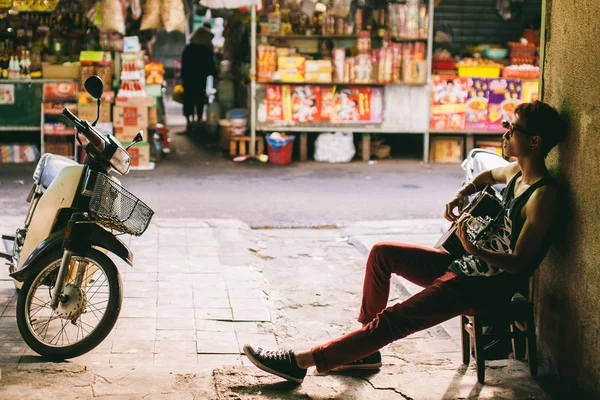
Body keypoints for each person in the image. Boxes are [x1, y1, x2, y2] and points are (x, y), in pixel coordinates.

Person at [242, 100, 567, 383]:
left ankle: (300, 362)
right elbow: (485, 176)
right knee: (382, 253)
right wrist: (460, 194)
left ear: (535, 142)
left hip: (482, 286)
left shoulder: (544, 195)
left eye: (513, 129)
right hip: (465, 265)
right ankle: (364, 350)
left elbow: (521, 264)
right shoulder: (515, 172)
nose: (506, 133)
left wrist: (474, 248)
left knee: (395, 320)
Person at [181, 21, 218, 130]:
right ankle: (198, 119)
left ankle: (190, 121)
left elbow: (183, 65)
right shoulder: (205, 50)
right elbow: (211, 65)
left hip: (188, 78)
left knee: (188, 98)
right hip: (200, 78)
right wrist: (215, 75)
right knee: (199, 98)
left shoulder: (188, 49)